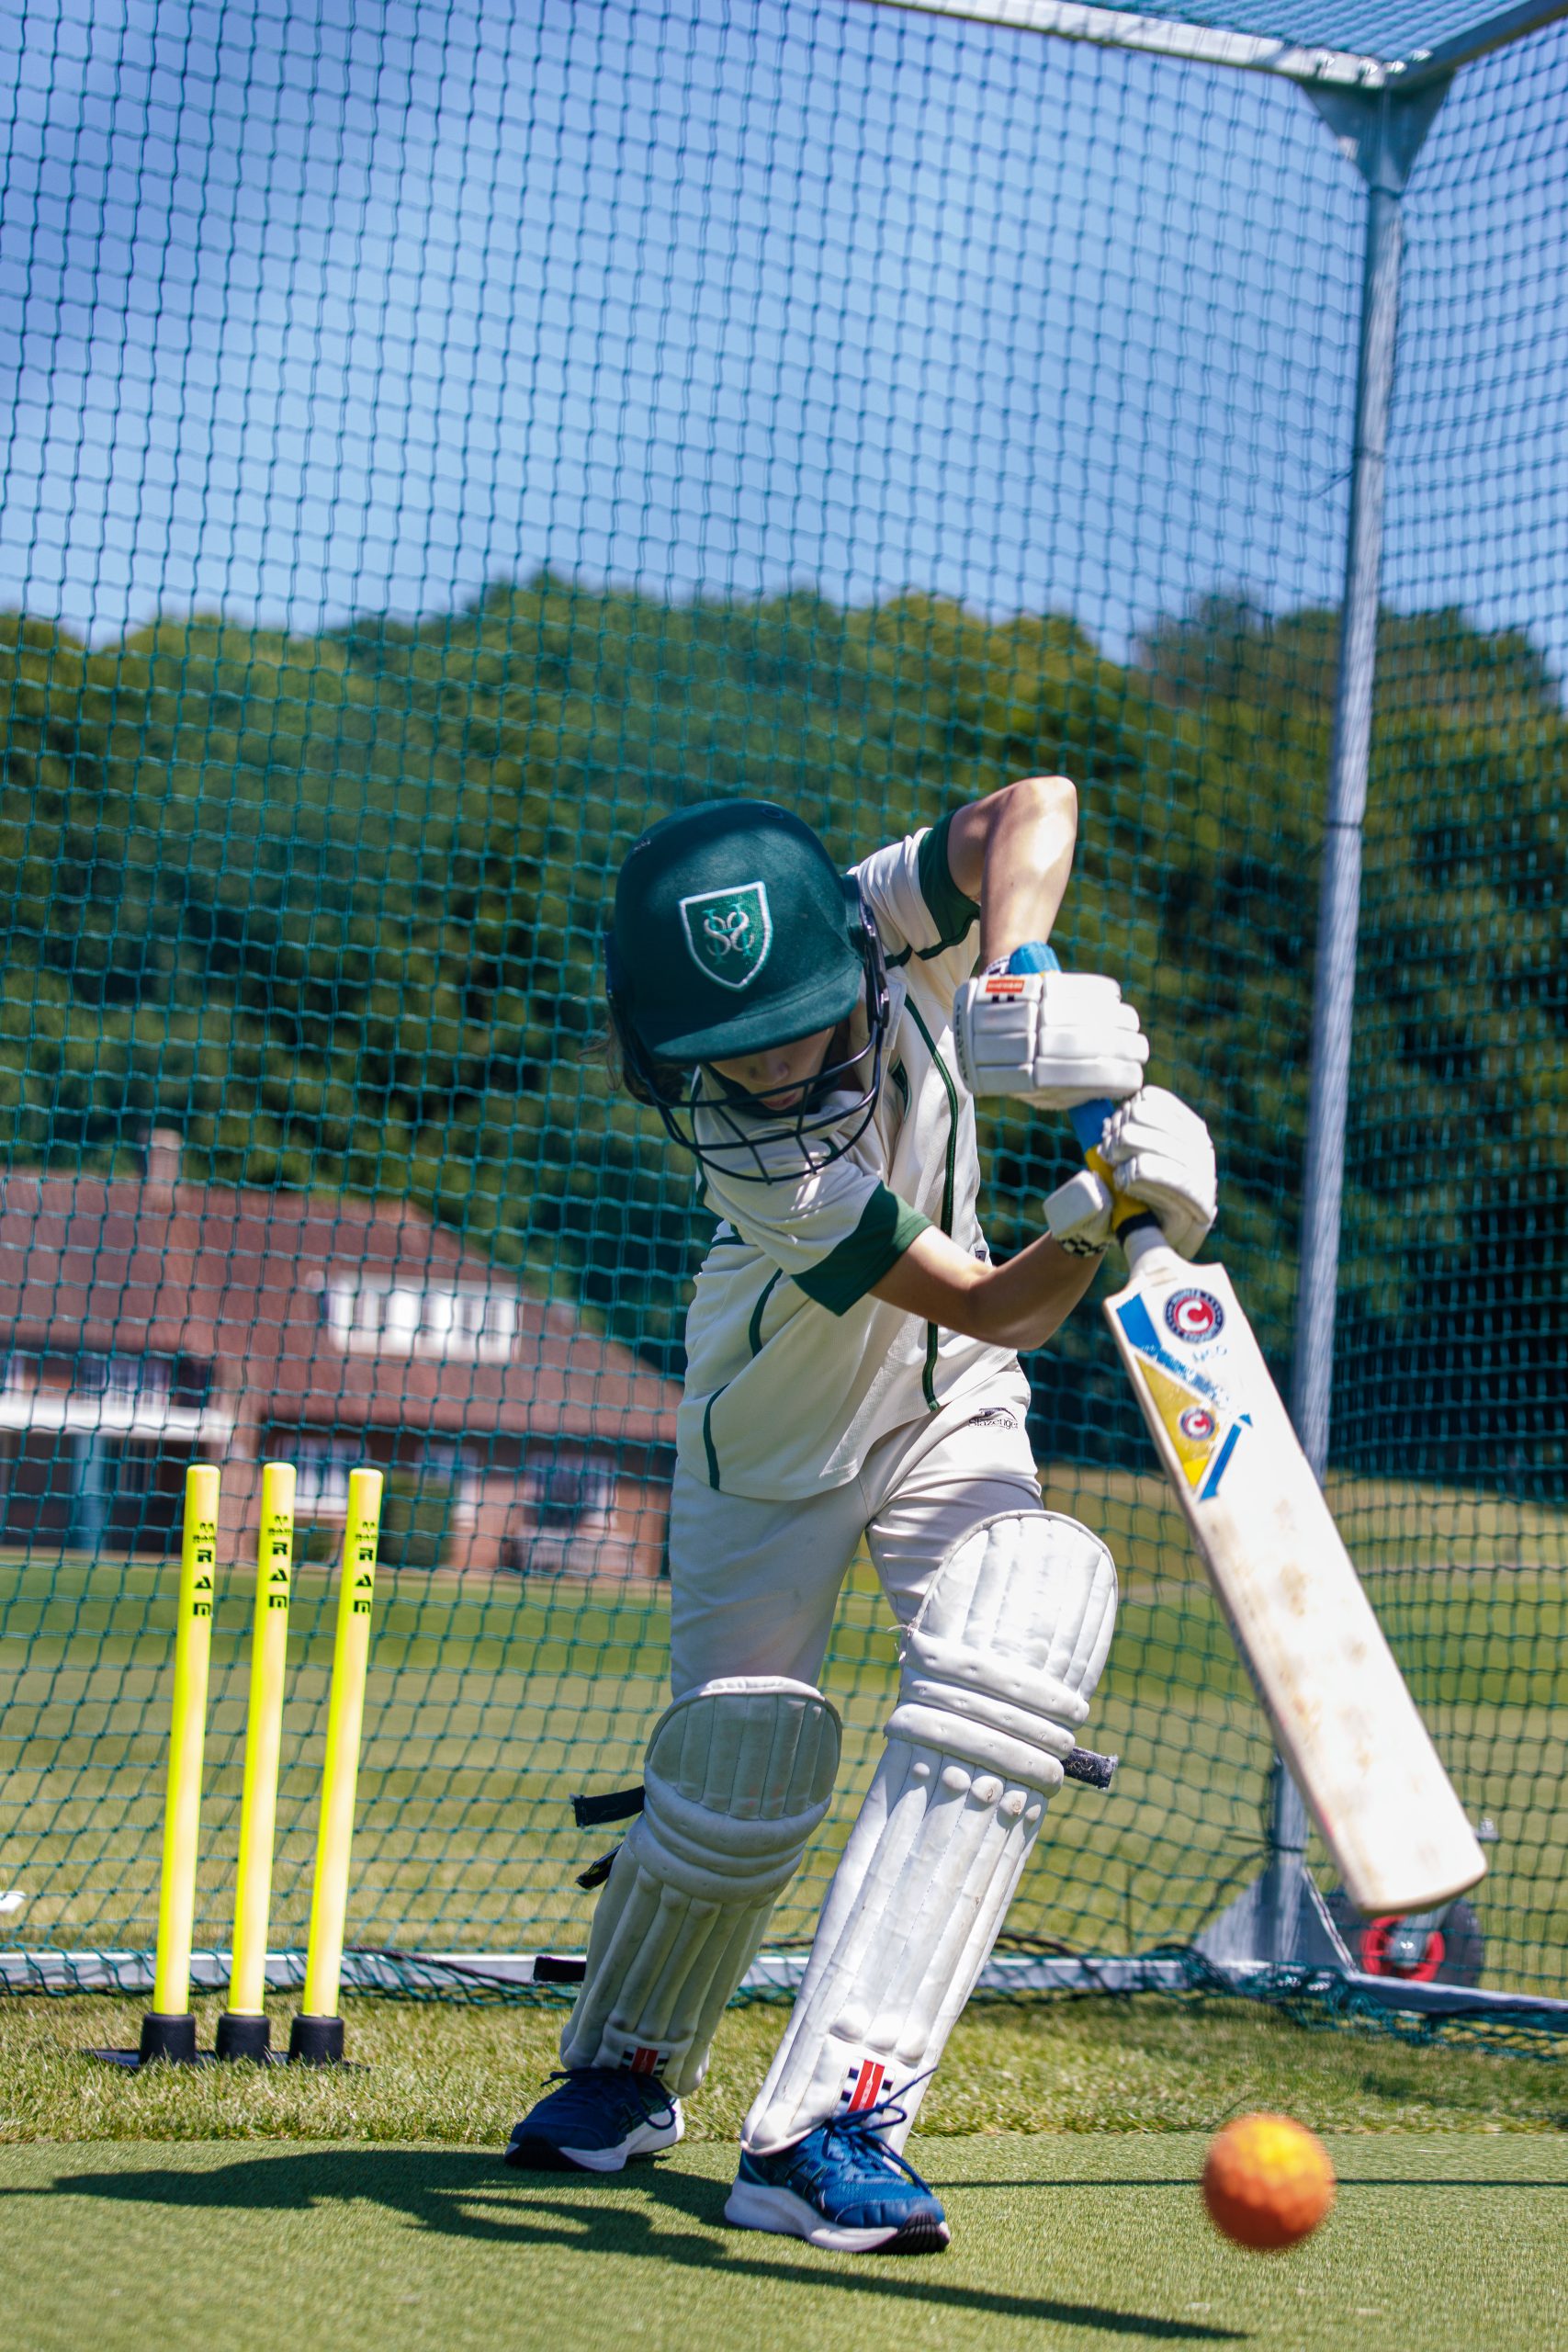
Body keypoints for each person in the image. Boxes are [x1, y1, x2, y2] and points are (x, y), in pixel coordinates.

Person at [505, 780, 1216, 2254]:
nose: (771, 1072)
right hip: (771, 1451)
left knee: (1028, 1616)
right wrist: (1097, 1200)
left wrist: (1014, 967)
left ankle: (835, 2120)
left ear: (850, 963)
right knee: (740, 1761)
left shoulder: (876, 921)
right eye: (729, 1055)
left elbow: (1033, 807)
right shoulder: (762, 1160)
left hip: (952, 1409)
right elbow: (995, 1295)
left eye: (796, 1032)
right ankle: (627, 2069)